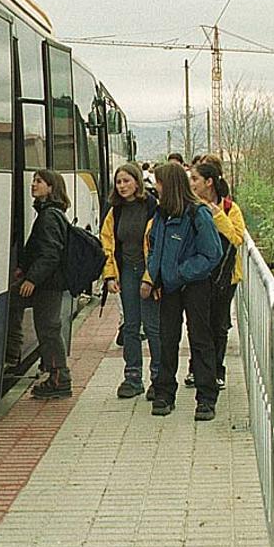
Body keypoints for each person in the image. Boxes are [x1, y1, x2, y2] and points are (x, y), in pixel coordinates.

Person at [145, 162, 223, 420]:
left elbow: (212, 254)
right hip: (168, 287)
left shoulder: (198, 213)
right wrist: (154, 278)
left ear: (169, 185)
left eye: (158, 182)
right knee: (167, 339)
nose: (155, 187)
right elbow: (155, 248)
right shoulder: (161, 215)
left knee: (200, 339)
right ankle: (164, 393)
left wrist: (180, 273)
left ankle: (206, 398)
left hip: (195, 285)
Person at [7, 168, 73, 399]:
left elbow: (50, 254)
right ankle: (17, 354)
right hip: (47, 281)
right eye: (34, 181)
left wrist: (32, 279)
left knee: (48, 329)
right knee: (16, 305)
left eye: (39, 181)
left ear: (51, 188)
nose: (33, 184)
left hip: (47, 283)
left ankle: (59, 378)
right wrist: (24, 268)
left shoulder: (49, 216)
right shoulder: (49, 213)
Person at [183, 161, 246, 391]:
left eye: (195, 179)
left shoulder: (230, 208)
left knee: (219, 325)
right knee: (197, 324)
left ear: (208, 182)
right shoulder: (189, 207)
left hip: (225, 277)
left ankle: (217, 371)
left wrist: (217, 216)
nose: (191, 184)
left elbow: (237, 238)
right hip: (198, 275)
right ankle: (196, 369)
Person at [100, 163, 161, 401]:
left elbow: (159, 242)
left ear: (137, 182)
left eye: (126, 181)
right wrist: (109, 275)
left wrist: (152, 277)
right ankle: (133, 377)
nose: (122, 186)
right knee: (131, 326)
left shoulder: (152, 207)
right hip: (126, 271)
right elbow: (107, 244)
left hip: (148, 273)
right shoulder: (115, 211)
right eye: (118, 182)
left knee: (153, 327)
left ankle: (159, 378)